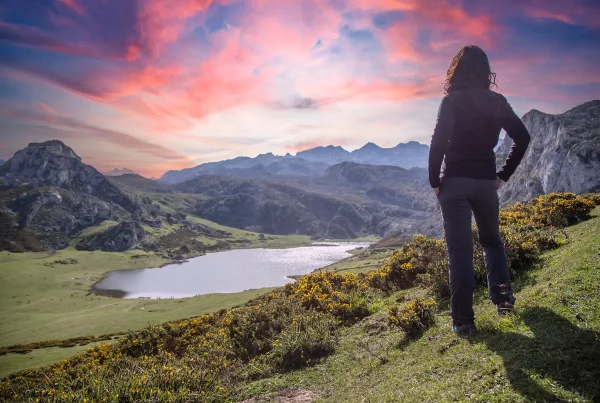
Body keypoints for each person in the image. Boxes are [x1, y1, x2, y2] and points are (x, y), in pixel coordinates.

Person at [428, 45, 531, 334]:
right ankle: (504, 302)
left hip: (455, 183)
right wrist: (503, 176)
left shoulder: (451, 102)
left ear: (456, 69)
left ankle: (463, 322)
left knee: (459, 251)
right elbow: (522, 138)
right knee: (492, 242)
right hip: (486, 183)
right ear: (486, 71)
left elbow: (437, 143)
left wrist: (435, 182)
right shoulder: (497, 102)